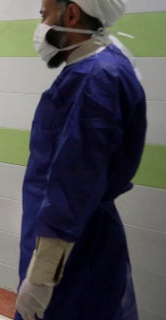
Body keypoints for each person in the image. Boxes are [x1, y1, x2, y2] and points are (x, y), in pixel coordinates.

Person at [15, 1, 146, 319]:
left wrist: (41, 278)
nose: (42, 24)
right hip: (73, 235)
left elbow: (72, 188)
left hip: (71, 250)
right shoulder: (106, 62)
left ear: (71, 14)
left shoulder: (93, 80)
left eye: (45, 15)